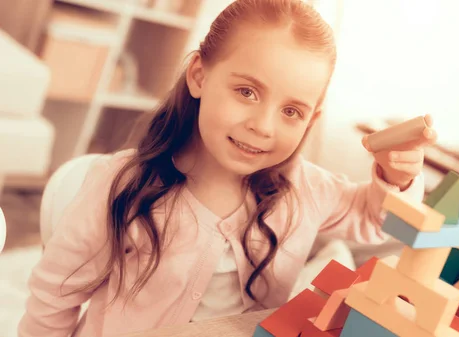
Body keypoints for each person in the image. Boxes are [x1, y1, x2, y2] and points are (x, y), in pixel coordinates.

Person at [18, 0, 436, 336]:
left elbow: (374, 219)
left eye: (292, 110)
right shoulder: (120, 185)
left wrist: (396, 177)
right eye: (247, 91)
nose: (263, 126)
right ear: (199, 75)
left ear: (312, 118)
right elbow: (54, 299)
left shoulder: (305, 189)